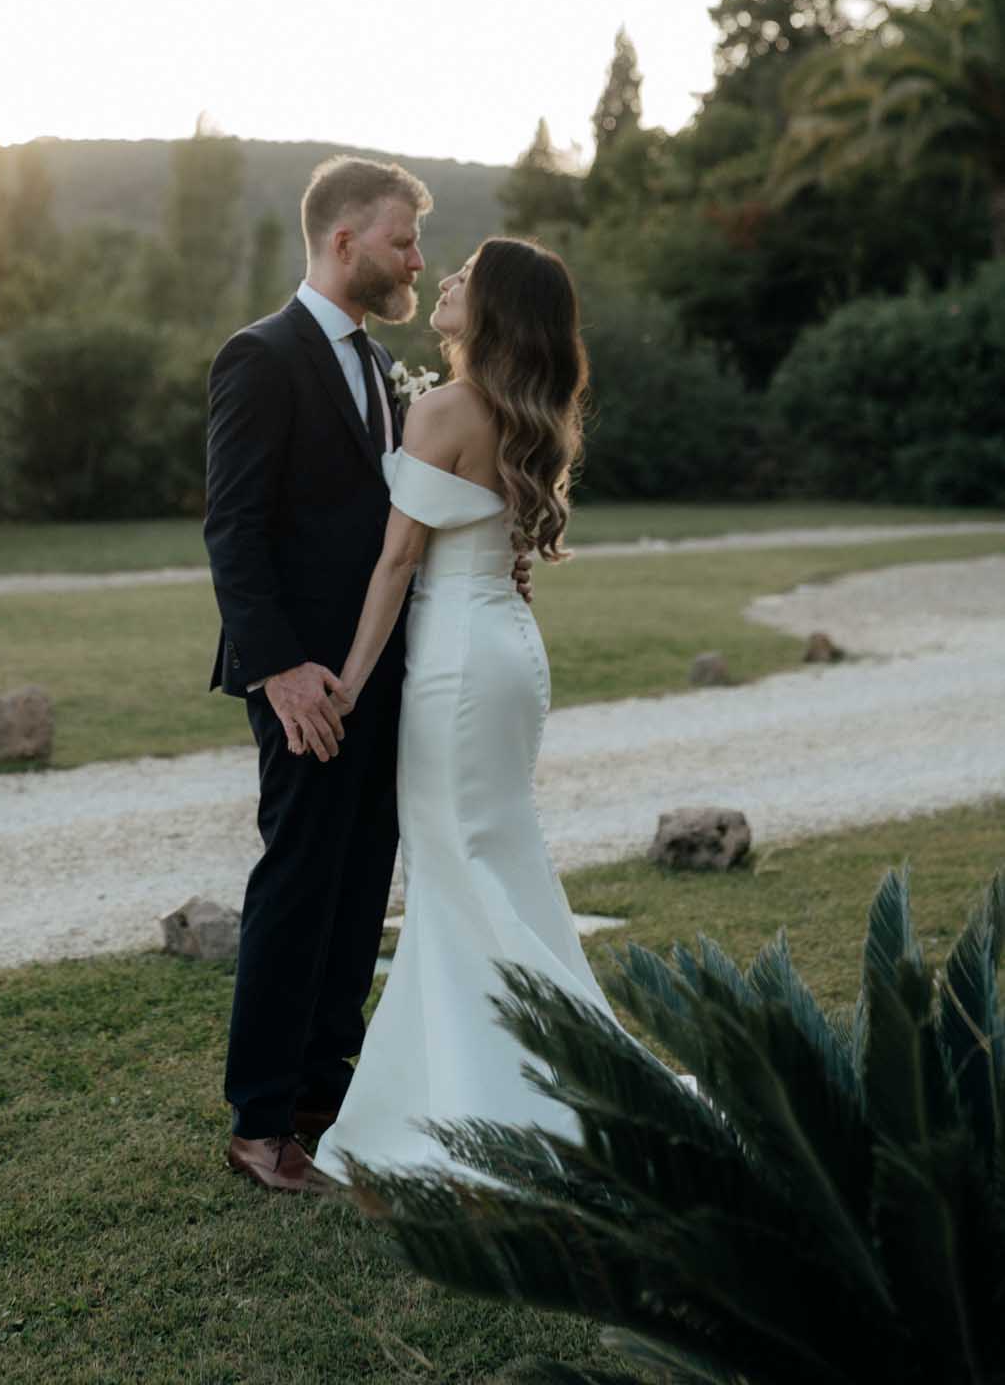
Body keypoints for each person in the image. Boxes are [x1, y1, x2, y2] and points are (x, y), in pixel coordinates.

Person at [313, 236, 692, 1186]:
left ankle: (498, 1094)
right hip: (507, 648)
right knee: (495, 859)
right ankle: (544, 1062)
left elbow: (398, 561)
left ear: (494, 311)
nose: (442, 280)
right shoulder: (519, 414)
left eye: (465, 277)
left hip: (454, 660)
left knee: (459, 864)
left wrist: (352, 683)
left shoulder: (443, 407)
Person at [203, 158, 533, 1195]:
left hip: (390, 673)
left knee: (358, 893)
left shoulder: (392, 376)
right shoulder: (260, 356)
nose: (416, 260)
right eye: (402, 241)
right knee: (299, 882)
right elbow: (235, 529)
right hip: (305, 680)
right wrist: (281, 671)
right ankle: (259, 1123)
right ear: (344, 242)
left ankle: (323, 1099)